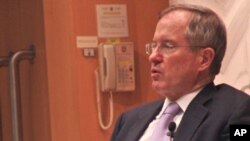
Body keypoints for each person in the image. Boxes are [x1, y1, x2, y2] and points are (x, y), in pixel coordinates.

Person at [110, 4, 250, 141]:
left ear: (204, 59)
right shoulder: (129, 120)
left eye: (168, 46)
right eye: (154, 46)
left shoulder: (237, 112)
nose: (153, 56)